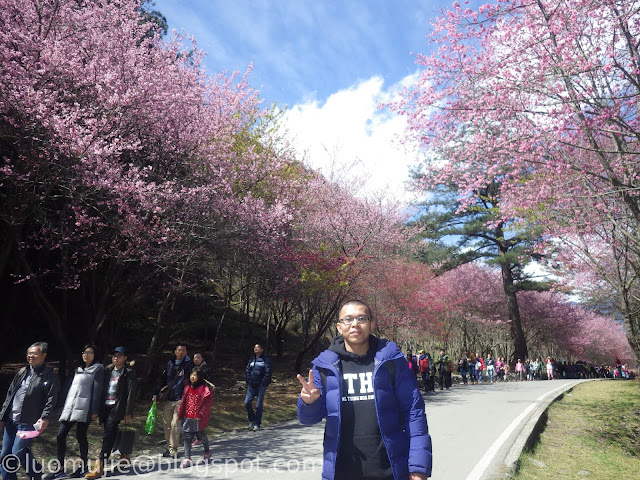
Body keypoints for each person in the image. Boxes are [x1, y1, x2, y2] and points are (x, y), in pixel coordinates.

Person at [296, 299, 432, 480]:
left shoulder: (391, 361)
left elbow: (414, 413)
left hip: (390, 470)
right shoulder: (324, 367)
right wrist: (308, 402)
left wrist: (418, 467)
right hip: (342, 472)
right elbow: (308, 419)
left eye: (361, 318)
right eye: (348, 319)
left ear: (371, 324)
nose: (355, 324)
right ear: (339, 326)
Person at [0, 342, 59, 480]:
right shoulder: (22, 371)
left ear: (43, 355)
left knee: (17, 452)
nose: (30, 356)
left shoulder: (48, 374)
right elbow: (9, 395)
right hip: (11, 419)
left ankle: (36, 471)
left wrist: (45, 417)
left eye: (34, 353)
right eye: (29, 353)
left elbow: (51, 398)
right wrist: (2, 417)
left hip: (28, 421)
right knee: (5, 455)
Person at [44, 344, 104, 480]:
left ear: (95, 355)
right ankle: (59, 469)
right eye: (84, 352)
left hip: (86, 408)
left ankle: (83, 467)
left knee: (81, 436)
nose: (86, 354)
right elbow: (69, 389)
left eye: (89, 352)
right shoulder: (78, 370)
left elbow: (98, 390)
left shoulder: (98, 369)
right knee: (60, 435)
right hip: (71, 407)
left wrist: (95, 410)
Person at [85, 347, 137, 480]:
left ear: (125, 358)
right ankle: (124, 456)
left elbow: (131, 393)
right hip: (105, 407)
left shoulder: (128, 372)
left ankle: (100, 466)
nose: (116, 358)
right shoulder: (108, 370)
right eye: (114, 356)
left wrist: (128, 412)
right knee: (111, 433)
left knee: (107, 435)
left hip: (117, 407)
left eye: (119, 356)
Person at [152, 344, 192, 457]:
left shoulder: (189, 365)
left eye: (183, 350)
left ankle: (174, 448)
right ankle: (169, 447)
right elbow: (162, 379)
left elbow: (193, 380)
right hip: (169, 398)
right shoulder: (169, 364)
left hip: (181, 398)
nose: (181, 352)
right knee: (166, 423)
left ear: (186, 352)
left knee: (175, 423)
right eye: (179, 350)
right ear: (175, 351)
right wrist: (155, 393)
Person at [176, 367, 213, 468]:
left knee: (201, 435)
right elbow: (184, 401)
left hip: (198, 418)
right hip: (188, 417)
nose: (192, 377)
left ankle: (207, 451)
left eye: (195, 375)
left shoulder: (204, 389)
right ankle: (187, 458)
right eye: (191, 374)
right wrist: (180, 411)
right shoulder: (187, 387)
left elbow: (207, 404)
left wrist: (201, 414)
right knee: (187, 437)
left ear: (199, 376)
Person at [244, 343, 272, 432]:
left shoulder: (266, 359)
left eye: (258, 347)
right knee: (247, 403)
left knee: (258, 405)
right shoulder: (252, 359)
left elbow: (268, 371)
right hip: (251, 385)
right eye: (255, 347)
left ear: (262, 349)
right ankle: (252, 420)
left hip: (261, 385)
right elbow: (248, 370)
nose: (256, 349)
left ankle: (257, 424)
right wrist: (248, 380)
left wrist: (264, 382)